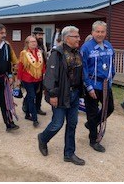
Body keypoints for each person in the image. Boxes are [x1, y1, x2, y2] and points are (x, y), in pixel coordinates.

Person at [38, 26, 85, 165]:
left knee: (72, 124)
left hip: (75, 93)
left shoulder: (77, 52)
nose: (79, 38)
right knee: (57, 123)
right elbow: (50, 76)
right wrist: (52, 94)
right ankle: (43, 138)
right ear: (67, 38)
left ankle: (69, 153)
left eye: (78, 36)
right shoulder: (57, 53)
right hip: (61, 94)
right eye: (76, 36)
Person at [80, 20, 115, 153]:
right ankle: (93, 140)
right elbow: (83, 69)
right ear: (92, 32)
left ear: (105, 32)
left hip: (106, 84)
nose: (100, 34)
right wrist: (88, 87)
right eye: (97, 31)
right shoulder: (86, 47)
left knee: (109, 108)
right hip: (92, 84)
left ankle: (91, 124)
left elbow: (111, 64)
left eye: (102, 32)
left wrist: (111, 76)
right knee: (92, 112)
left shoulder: (108, 46)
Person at [17, 35, 45, 127]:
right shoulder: (23, 53)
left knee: (30, 96)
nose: (34, 43)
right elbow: (20, 67)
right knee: (32, 96)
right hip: (27, 79)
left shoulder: (39, 52)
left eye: (35, 41)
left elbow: (42, 66)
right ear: (27, 43)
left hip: (38, 78)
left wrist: (44, 74)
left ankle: (27, 114)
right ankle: (35, 119)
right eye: (32, 41)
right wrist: (18, 80)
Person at [29, 27, 47, 116]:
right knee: (31, 92)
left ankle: (38, 108)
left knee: (39, 92)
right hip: (33, 73)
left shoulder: (42, 46)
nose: (41, 37)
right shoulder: (31, 46)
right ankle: (26, 107)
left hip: (41, 73)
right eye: (39, 35)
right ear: (34, 35)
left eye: (41, 35)